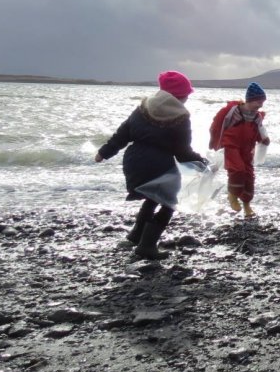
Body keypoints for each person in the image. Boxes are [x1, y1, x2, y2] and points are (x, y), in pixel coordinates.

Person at [94, 71, 205, 259]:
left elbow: (122, 134)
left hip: (133, 162)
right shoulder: (180, 117)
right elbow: (182, 152)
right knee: (169, 202)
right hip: (159, 164)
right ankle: (147, 245)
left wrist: (103, 153)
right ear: (179, 96)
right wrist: (202, 164)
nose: (187, 98)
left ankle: (135, 236)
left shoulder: (143, 108)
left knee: (153, 197)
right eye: (186, 95)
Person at [209, 82, 270, 218]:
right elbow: (217, 125)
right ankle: (232, 194)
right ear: (250, 100)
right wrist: (214, 141)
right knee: (237, 169)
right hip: (231, 145)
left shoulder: (257, 116)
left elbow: (259, 130)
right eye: (258, 101)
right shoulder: (233, 112)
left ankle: (247, 205)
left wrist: (264, 139)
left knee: (249, 176)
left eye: (262, 102)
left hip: (248, 149)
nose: (260, 105)